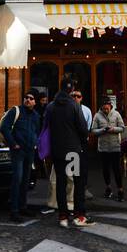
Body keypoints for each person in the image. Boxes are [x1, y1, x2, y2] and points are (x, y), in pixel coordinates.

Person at [46, 77, 92, 228]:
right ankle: (79, 215)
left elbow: (46, 127)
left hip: (57, 150)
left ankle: (63, 216)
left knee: (61, 183)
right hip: (73, 151)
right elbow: (83, 129)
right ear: (71, 90)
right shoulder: (74, 106)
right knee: (78, 183)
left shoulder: (51, 106)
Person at [0, 90, 39, 222]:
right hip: (18, 151)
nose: (28, 100)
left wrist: (35, 143)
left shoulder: (35, 115)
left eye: (31, 98)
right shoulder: (15, 111)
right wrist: (13, 143)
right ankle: (14, 211)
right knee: (17, 179)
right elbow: (4, 128)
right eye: (26, 97)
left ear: (35, 102)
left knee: (26, 180)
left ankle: (23, 207)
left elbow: (36, 131)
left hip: (30, 151)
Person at [92, 97, 126, 200]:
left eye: (107, 107)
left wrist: (113, 129)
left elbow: (122, 128)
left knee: (117, 169)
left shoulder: (116, 114)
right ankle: (108, 188)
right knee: (105, 169)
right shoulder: (97, 116)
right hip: (103, 148)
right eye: (104, 107)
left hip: (115, 147)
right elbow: (93, 130)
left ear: (110, 105)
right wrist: (102, 130)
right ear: (101, 107)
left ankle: (120, 190)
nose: (106, 109)